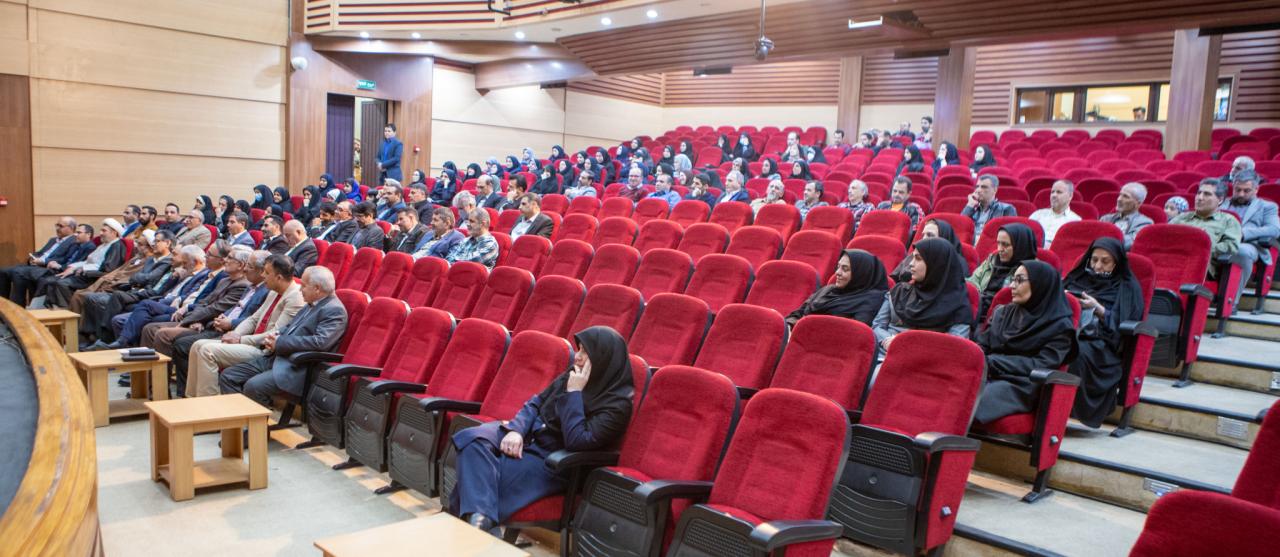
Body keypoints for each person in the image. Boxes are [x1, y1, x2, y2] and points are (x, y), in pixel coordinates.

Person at [448, 326, 634, 533]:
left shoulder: (617, 406)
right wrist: (516, 431)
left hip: (554, 460)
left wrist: (574, 394)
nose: (577, 357)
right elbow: (536, 403)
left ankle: (478, 525)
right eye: (578, 349)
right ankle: (481, 526)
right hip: (529, 436)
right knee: (472, 439)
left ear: (603, 359)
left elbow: (577, 441)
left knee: (483, 475)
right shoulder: (573, 374)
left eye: (585, 352)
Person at [219, 266, 348, 408]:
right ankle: (240, 418)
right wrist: (274, 335)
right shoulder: (312, 303)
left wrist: (280, 342)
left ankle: (255, 421)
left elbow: (320, 342)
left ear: (317, 288)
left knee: (253, 386)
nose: (300, 289)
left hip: (296, 366)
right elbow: (290, 326)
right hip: (277, 358)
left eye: (304, 286)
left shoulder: (334, 310)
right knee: (229, 376)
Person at [973, 260, 1078, 425]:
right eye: (1013, 279)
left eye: (1019, 280)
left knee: (972, 401)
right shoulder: (1002, 312)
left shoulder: (1060, 326)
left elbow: (1042, 364)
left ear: (1040, 285)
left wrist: (994, 362)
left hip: (1020, 383)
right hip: (987, 373)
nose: (1012, 286)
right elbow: (982, 345)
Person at [1064, 238, 1146, 428]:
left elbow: (1125, 325)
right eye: (1094, 260)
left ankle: (1062, 409)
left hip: (1103, 343)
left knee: (1073, 353)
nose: (1098, 266)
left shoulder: (1127, 287)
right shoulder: (1078, 277)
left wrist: (1099, 309)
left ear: (1117, 263)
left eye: (1105, 261)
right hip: (1068, 331)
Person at [143, 247, 260, 367]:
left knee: (164, 335)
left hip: (213, 326)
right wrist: (196, 319)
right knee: (149, 328)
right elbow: (204, 302)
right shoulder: (224, 280)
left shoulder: (242, 285)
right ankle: (146, 372)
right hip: (201, 320)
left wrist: (192, 321)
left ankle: (161, 377)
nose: (225, 260)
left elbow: (216, 309)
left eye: (229, 258)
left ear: (240, 265)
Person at [872, 238, 974, 357]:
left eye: (918, 258)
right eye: (912, 257)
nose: (911, 263)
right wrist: (890, 340)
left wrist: (903, 343)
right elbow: (877, 326)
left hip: (924, 361)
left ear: (936, 265)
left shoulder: (957, 305)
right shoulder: (899, 292)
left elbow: (955, 347)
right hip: (884, 354)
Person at [33, 219, 128, 309]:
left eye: (104, 231)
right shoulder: (103, 245)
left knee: (62, 283)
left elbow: (107, 268)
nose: (100, 233)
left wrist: (83, 268)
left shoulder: (117, 246)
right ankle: (52, 310)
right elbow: (88, 261)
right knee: (53, 281)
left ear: (114, 233)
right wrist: (72, 267)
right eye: (101, 230)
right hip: (86, 273)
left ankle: (69, 312)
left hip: (94, 278)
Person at [1218, 173, 1278, 312]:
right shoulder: (1221, 203)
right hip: (1219, 240)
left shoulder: (1267, 206)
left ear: (1256, 189)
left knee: (1241, 251)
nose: (1241, 194)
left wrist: (1244, 233)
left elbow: (1274, 229)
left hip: (1248, 243)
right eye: (1237, 190)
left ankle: (1230, 302)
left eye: (1246, 191)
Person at [787, 250, 889, 327]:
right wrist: (789, 326)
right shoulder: (828, 290)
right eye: (838, 267)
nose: (837, 272)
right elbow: (797, 313)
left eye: (845, 269)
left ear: (861, 274)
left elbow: (852, 332)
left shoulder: (871, 300)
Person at [1171, 178, 1242, 279]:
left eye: (1207, 194)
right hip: (1172, 259)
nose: (1200, 198)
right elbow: (1163, 237)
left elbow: (1231, 247)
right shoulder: (1182, 217)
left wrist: (1201, 248)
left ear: (1220, 200)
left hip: (1200, 265)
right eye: (1199, 193)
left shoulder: (1228, 221)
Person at [0, 217, 80, 304]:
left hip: (48, 268)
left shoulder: (74, 241)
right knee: (3, 271)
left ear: (71, 228)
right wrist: (32, 258)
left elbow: (65, 259)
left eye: (60, 226)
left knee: (17, 272)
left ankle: (18, 305)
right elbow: (40, 253)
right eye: (57, 225)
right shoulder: (53, 240)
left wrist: (44, 261)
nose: (57, 228)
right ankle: (3, 304)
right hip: (36, 265)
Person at [968, 223, 1038, 318]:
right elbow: (972, 281)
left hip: (1003, 316)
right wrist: (978, 299)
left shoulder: (1030, 270)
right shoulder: (992, 259)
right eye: (998, 243)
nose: (999, 249)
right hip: (978, 308)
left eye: (1005, 245)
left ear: (1020, 245)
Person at [891, 218, 966, 282]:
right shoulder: (916, 254)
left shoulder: (956, 264)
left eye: (930, 235)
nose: (924, 239)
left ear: (944, 238)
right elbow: (893, 279)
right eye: (923, 235)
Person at [961, 174, 1017, 243]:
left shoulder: (1007, 209)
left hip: (991, 245)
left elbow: (1009, 237)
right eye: (977, 186)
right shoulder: (971, 209)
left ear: (995, 190)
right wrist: (970, 205)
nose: (978, 190)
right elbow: (960, 228)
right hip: (971, 244)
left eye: (984, 187)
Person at [1100, 182, 1154, 249]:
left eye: (1125, 196)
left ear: (1138, 203)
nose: (1119, 199)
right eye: (1120, 195)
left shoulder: (1144, 223)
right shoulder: (1105, 218)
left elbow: (1129, 243)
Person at [1029, 180, 1081, 247]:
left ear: (1070, 196)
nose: (1054, 195)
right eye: (1052, 192)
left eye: (1059, 192)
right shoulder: (1037, 214)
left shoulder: (1075, 220)